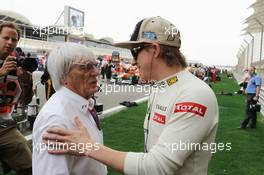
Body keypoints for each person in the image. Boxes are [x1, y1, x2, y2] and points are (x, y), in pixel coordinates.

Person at [43, 16, 219, 175]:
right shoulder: (164, 87)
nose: (133, 61)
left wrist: (88, 147)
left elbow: (157, 167)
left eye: (135, 51)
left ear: (154, 50)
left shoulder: (194, 94)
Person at [32, 43, 107, 175]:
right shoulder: (56, 119)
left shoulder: (82, 103)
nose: (96, 72)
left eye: (95, 65)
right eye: (86, 67)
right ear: (63, 77)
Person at [0, 22, 32, 175]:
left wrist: (26, 81)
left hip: (4, 125)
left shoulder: (16, 63)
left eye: (14, 40)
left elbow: (25, 100)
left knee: (30, 166)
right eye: (6, 38)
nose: (10, 42)